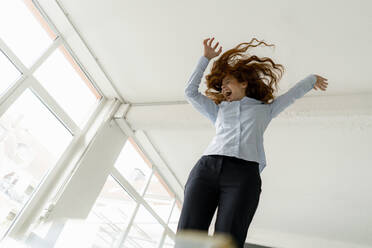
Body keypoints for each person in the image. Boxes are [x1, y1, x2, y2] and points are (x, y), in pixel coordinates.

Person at [176, 37, 329, 248]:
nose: (223, 88)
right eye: (221, 86)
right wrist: (205, 59)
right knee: (188, 236)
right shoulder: (218, 110)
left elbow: (291, 95)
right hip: (206, 169)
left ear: (243, 83)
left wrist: (312, 79)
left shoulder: (265, 110)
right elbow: (190, 93)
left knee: (227, 240)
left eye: (227, 82)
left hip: (243, 175)